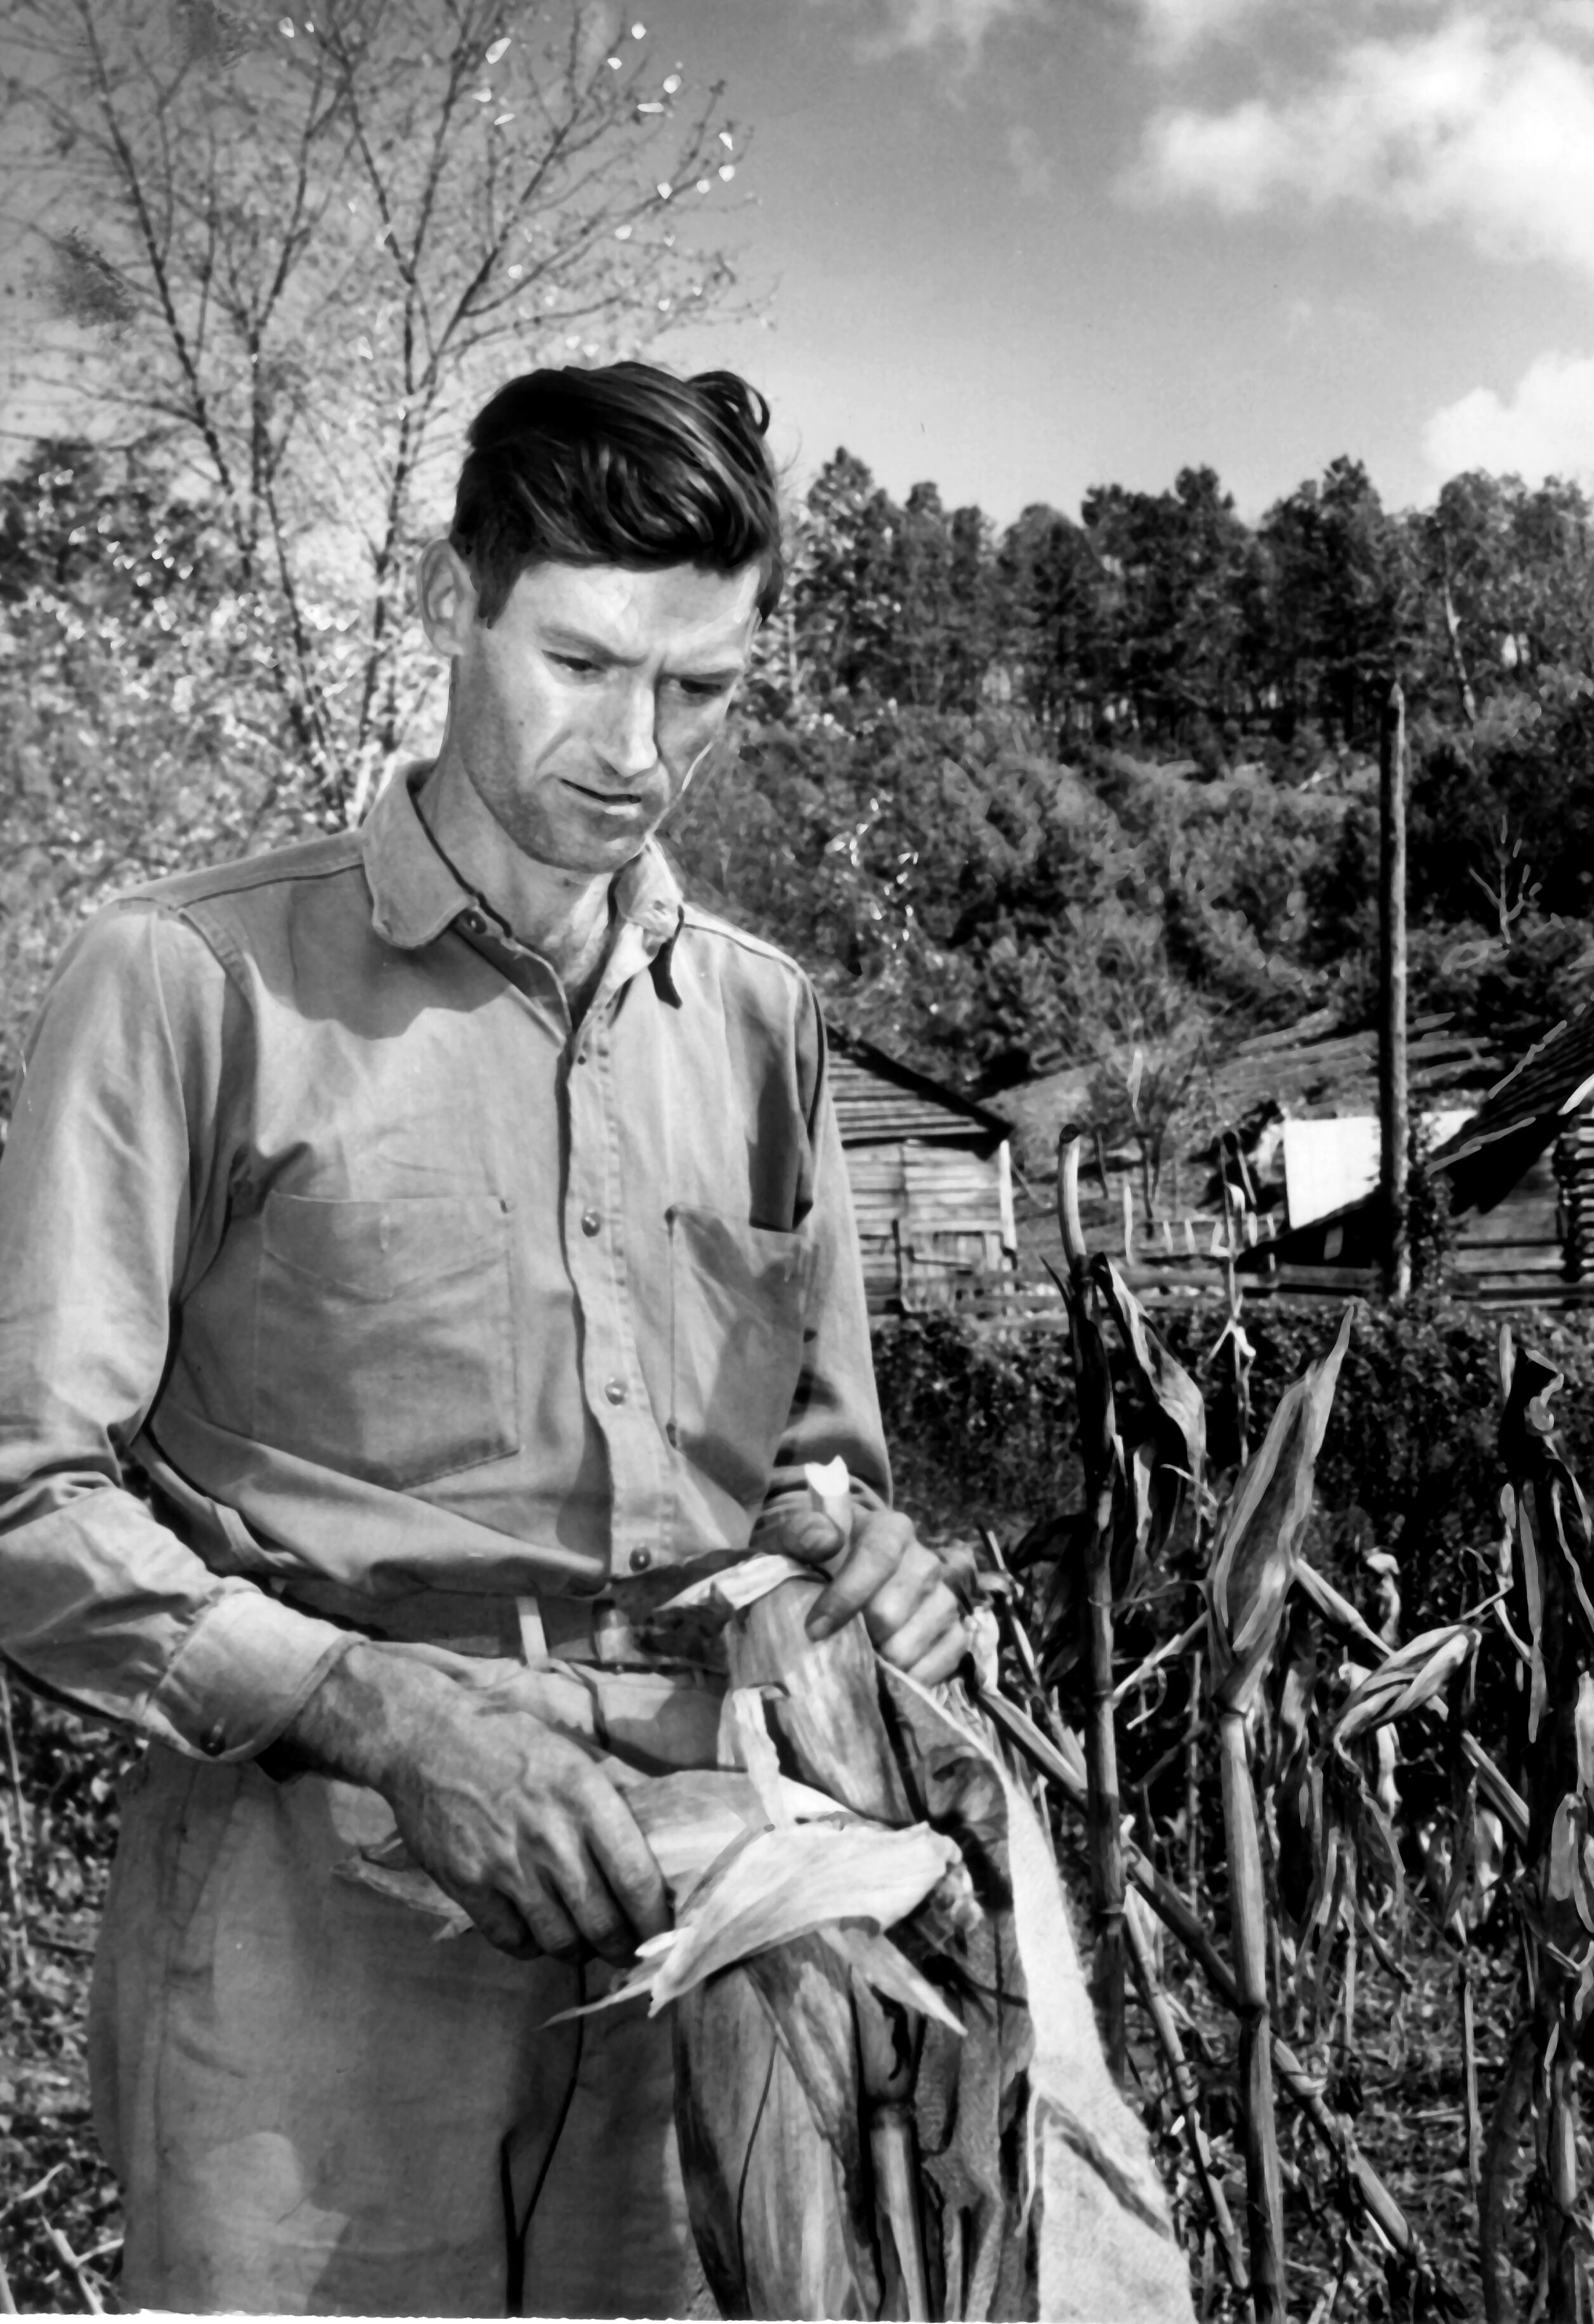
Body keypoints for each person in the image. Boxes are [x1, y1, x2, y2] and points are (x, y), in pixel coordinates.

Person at [0, 362, 967, 2315]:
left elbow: (815, 1471)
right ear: (463, 600)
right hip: (314, 1908)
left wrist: (860, 1565)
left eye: (701, 689)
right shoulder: (187, 980)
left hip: (715, 1921)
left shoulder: (762, 1021)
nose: (637, 749)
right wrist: (382, 1714)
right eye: (583, 662)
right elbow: (22, 1497)